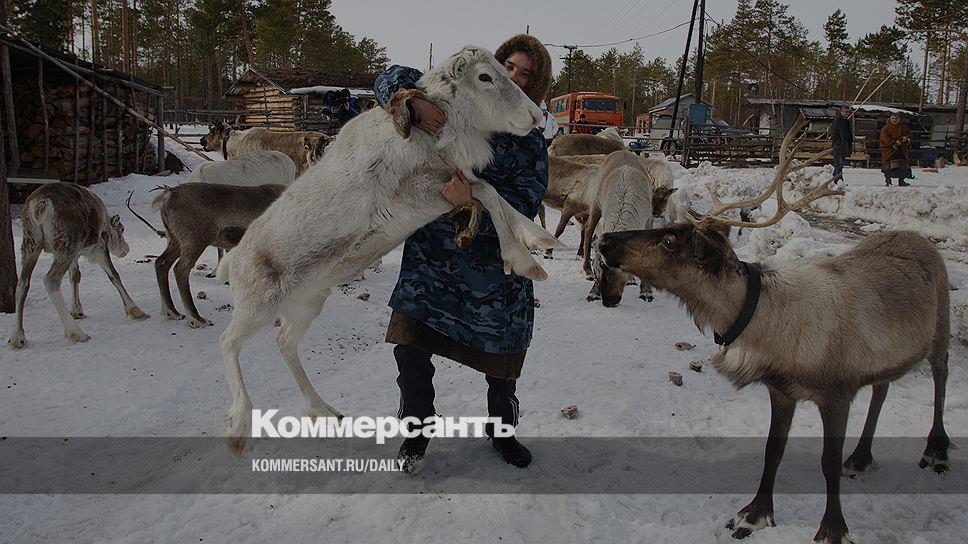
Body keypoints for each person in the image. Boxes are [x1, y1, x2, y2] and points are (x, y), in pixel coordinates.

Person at [372, 35, 551, 473]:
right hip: (432, 261)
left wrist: (470, 200)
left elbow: (526, 202)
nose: (514, 77)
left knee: (502, 366)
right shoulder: (451, 102)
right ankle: (417, 430)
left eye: (525, 74)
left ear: (534, 86)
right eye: (508, 66)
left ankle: (502, 431)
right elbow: (388, 79)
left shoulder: (528, 140)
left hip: (492, 267)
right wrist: (413, 103)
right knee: (409, 348)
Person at [880, 113, 912, 187]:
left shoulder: (903, 127)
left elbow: (909, 134)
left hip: (901, 149)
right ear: (890, 119)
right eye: (893, 118)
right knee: (888, 166)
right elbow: (884, 138)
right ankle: (888, 180)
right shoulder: (886, 128)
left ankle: (901, 181)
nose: (894, 120)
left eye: (896, 118)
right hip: (889, 149)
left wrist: (906, 138)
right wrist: (894, 142)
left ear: (899, 119)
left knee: (902, 165)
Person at [830, 105, 853, 182]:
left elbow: (848, 134)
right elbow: (834, 133)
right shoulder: (837, 120)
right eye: (846, 112)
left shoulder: (846, 121)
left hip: (844, 146)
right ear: (841, 111)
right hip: (839, 146)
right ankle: (837, 180)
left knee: (840, 164)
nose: (847, 114)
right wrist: (837, 143)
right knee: (839, 164)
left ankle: (836, 179)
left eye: (848, 112)